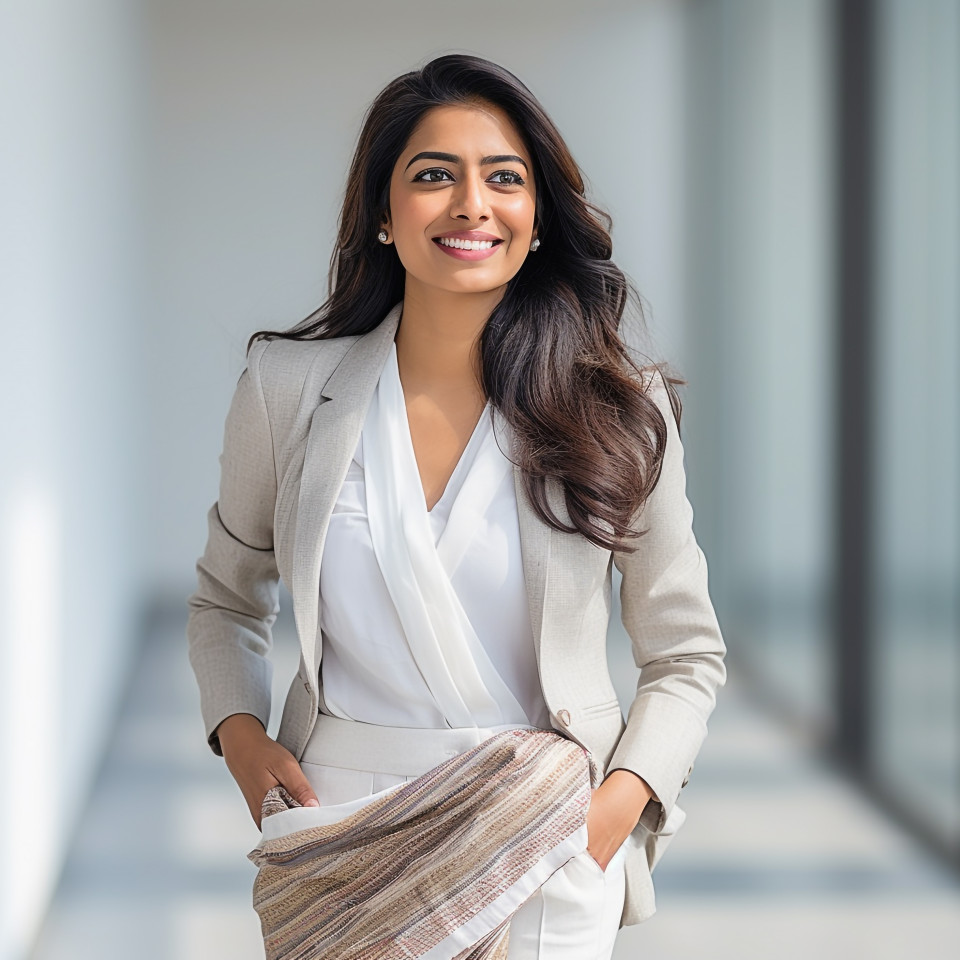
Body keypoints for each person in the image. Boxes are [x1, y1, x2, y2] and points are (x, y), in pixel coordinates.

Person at [186, 53, 726, 959]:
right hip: (344, 835)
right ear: (383, 213)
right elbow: (226, 598)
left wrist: (615, 807)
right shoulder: (287, 391)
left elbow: (686, 652)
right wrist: (241, 739)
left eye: (504, 179)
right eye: (434, 175)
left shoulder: (616, 406)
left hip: (546, 847)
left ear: (538, 218)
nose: (473, 205)